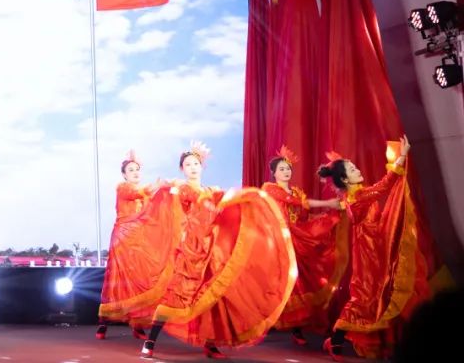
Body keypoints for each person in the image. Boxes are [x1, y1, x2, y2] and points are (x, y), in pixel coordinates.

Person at [139, 142, 296, 360]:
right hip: (191, 250)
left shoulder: (210, 191)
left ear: (202, 166)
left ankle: (210, 344)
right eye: (188, 165)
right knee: (178, 294)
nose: (193, 168)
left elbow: (221, 205)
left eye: (196, 164)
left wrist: (243, 201)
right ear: (182, 169)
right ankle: (150, 341)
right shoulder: (184, 189)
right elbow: (191, 206)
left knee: (212, 296)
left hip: (211, 249)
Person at [319, 136, 429, 360]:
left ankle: (343, 340)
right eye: (352, 169)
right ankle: (336, 340)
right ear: (345, 179)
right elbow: (385, 186)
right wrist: (402, 157)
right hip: (367, 256)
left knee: (376, 296)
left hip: (374, 249)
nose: (358, 169)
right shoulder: (357, 197)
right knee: (363, 298)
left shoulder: (357, 193)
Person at [260, 146, 344, 346]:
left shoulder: (297, 191)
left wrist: (323, 218)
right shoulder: (270, 188)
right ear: (274, 173)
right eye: (281, 169)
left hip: (297, 238)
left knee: (299, 283)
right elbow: (298, 203)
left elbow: (304, 213)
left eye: (288, 168)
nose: (286, 172)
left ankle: (297, 328)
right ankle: (264, 323)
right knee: (277, 283)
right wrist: (329, 203)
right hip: (279, 239)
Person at [97, 150, 174, 340]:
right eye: (130, 170)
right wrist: (155, 187)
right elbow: (136, 193)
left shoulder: (146, 195)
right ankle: (103, 322)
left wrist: (167, 191)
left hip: (140, 240)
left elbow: (155, 210)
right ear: (124, 175)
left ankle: (137, 323)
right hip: (122, 240)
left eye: (137, 169)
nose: (135, 172)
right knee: (117, 281)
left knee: (139, 280)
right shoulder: (122, 188)